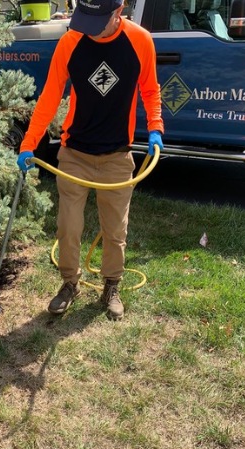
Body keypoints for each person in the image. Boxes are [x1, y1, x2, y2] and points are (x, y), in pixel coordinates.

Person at [17, 0, 164, 321]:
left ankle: (111, 285)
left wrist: (155, 127)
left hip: (117, 155)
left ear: (118, 11)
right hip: (74, 154)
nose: (88, 29)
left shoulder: (140, 41)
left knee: (115, 230)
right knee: (68, 226)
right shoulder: (70, 42)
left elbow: (150, 90)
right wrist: (29, 144)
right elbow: (50, 96)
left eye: (97, 20)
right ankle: (69, 283)